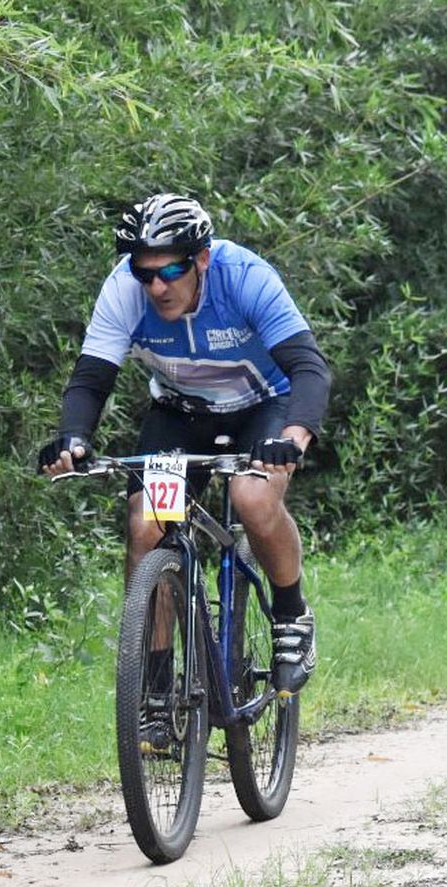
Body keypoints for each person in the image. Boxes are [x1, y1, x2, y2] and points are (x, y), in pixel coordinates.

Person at [37, 193, 331, 703]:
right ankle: (153, 688)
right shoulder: (125, 290)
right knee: (149, 526)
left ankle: (291, 615)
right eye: (143, 272)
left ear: (201, 259)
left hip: (262, 406)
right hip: (181, 414)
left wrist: (293, 438)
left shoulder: (245, 278)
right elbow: (90, 379)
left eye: (169, 270)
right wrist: (74, 437)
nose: (156, 286)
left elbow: (309, 367)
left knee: (253, 498)